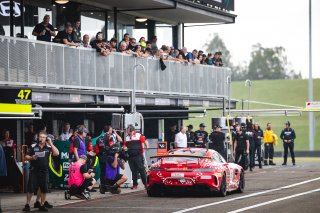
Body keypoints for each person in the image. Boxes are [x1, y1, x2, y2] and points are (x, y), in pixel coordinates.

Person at [22, 131, 59, 212]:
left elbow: (56, 153)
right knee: (30, 188)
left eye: (43, 137)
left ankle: (41, 205)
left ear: (46, 138)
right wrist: (32, 157)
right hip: (34, 170)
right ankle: (27, 204)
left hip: (44, 170)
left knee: (44, 188)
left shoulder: (49, 147)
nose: (41, 138)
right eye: (40, 137)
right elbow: (25, 157)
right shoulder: (33, 146)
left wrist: (51, 143)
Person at [123, 125, 149, 190]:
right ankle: (135, 185)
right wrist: (124, 148)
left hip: (138, 155)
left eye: (128, 130)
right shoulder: (127, 138)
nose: (127, 131)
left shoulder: (138, 135)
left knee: (141, 169)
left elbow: (145, 141)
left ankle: (145, 184)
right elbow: (124, 146)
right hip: (130, 156)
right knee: (133, 171)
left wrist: (147, 146)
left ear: (131, 130)